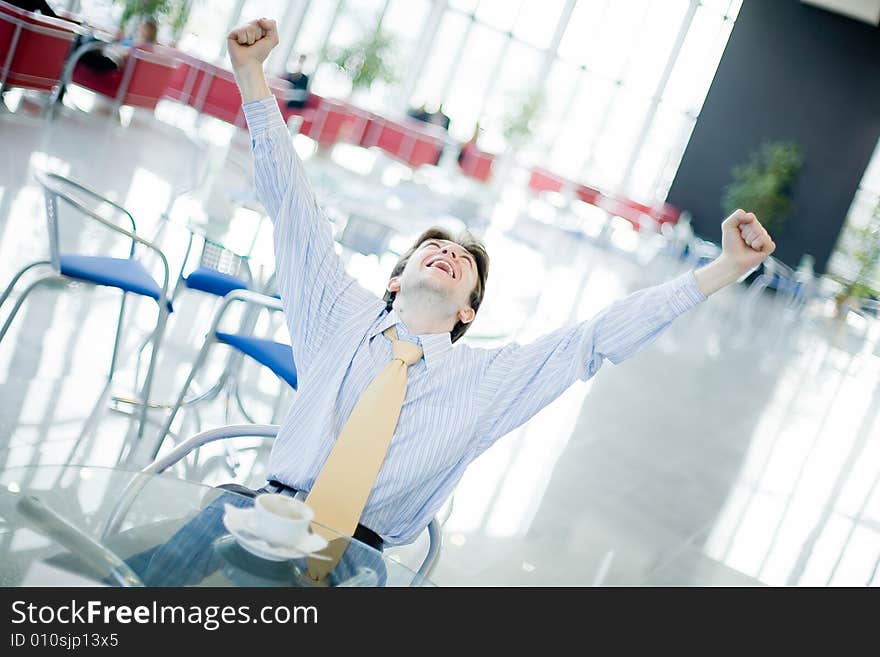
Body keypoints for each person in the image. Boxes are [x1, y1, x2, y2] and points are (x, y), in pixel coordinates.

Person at [132, 18, 778, 584]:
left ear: (469, 309)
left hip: (359, 558)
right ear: (395, 278)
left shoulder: (489, 379)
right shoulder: (338, 312)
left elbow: (597, 337)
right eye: (431, 248)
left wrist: (724, 267)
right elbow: (291, 203)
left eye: (465, 262)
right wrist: (251, 77)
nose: (448, 252)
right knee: (129, 583)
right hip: (266, 510)